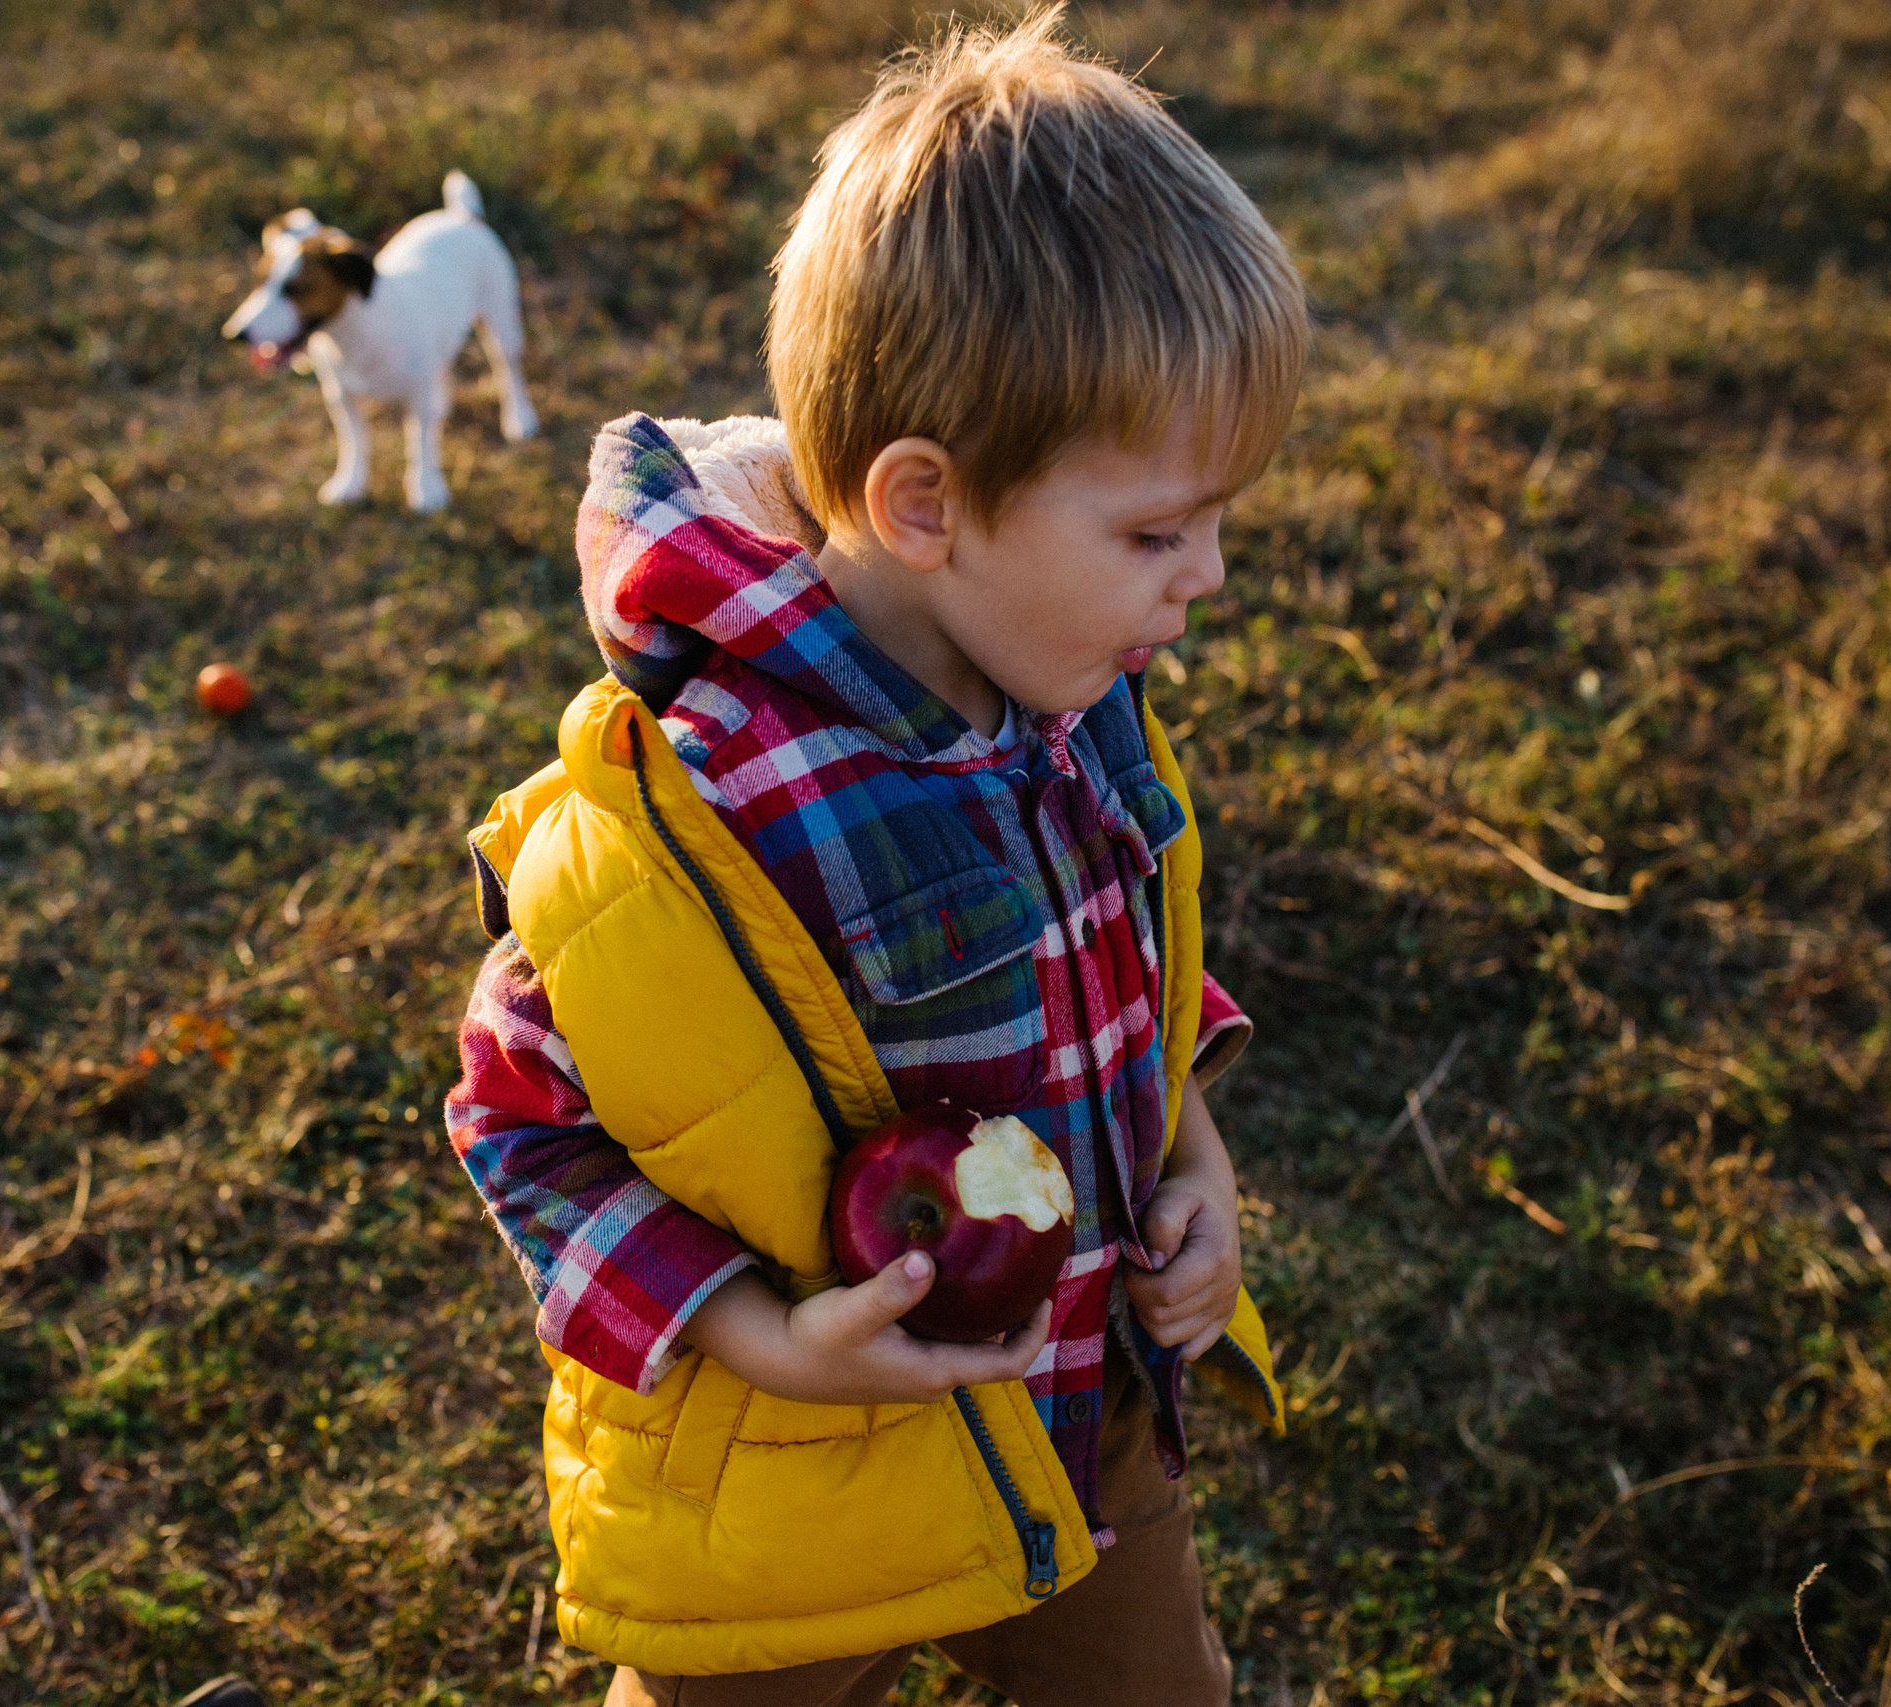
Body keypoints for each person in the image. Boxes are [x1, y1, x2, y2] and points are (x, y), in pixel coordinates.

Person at [445, 10, 1308, 1704]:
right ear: (924, 505)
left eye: (1216, 522)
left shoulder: (1080, 685)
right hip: (803, 1466)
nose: (1203, 576)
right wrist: (766, 1339)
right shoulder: (704, 808)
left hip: (1077, 1413)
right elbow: (523, 1119)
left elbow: (1119, 950)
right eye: (1155, 531)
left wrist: (1185, 1147)